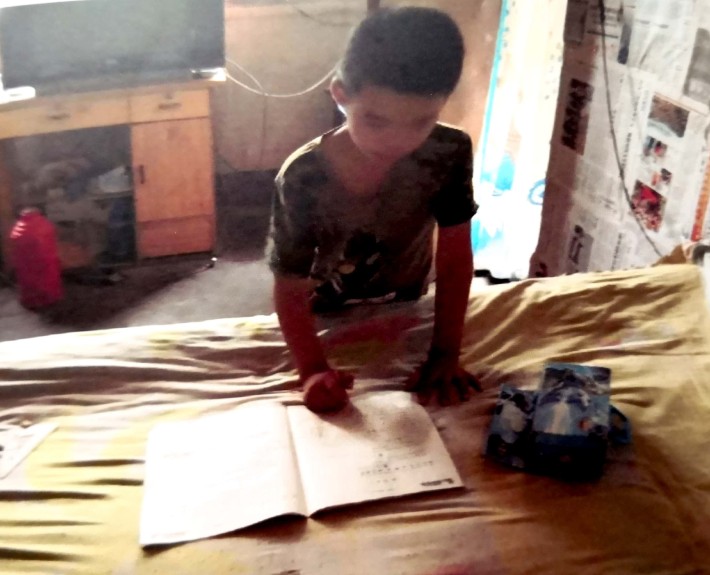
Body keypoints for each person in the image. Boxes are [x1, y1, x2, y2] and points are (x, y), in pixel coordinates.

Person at [267, 7, 480, 413]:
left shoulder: (448, 152)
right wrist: (312, 369)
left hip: (408, 304)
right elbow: (290, 286)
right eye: (376, 121)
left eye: (421, 122)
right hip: (325, 314)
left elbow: (454, 261)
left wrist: (445, 354)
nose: (397, 141)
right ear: (340, 96)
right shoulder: (302, 176)